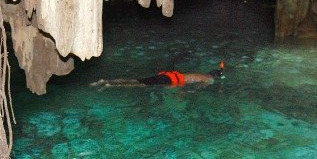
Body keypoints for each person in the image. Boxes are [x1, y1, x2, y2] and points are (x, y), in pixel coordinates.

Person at [91, 61, 225, 87]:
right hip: (169, 81)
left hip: (166, 75)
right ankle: (110, 85)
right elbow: (198, 88)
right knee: (142, 85)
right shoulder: (209, 79)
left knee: (139, 80)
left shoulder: (201, 74)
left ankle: (106, 80)